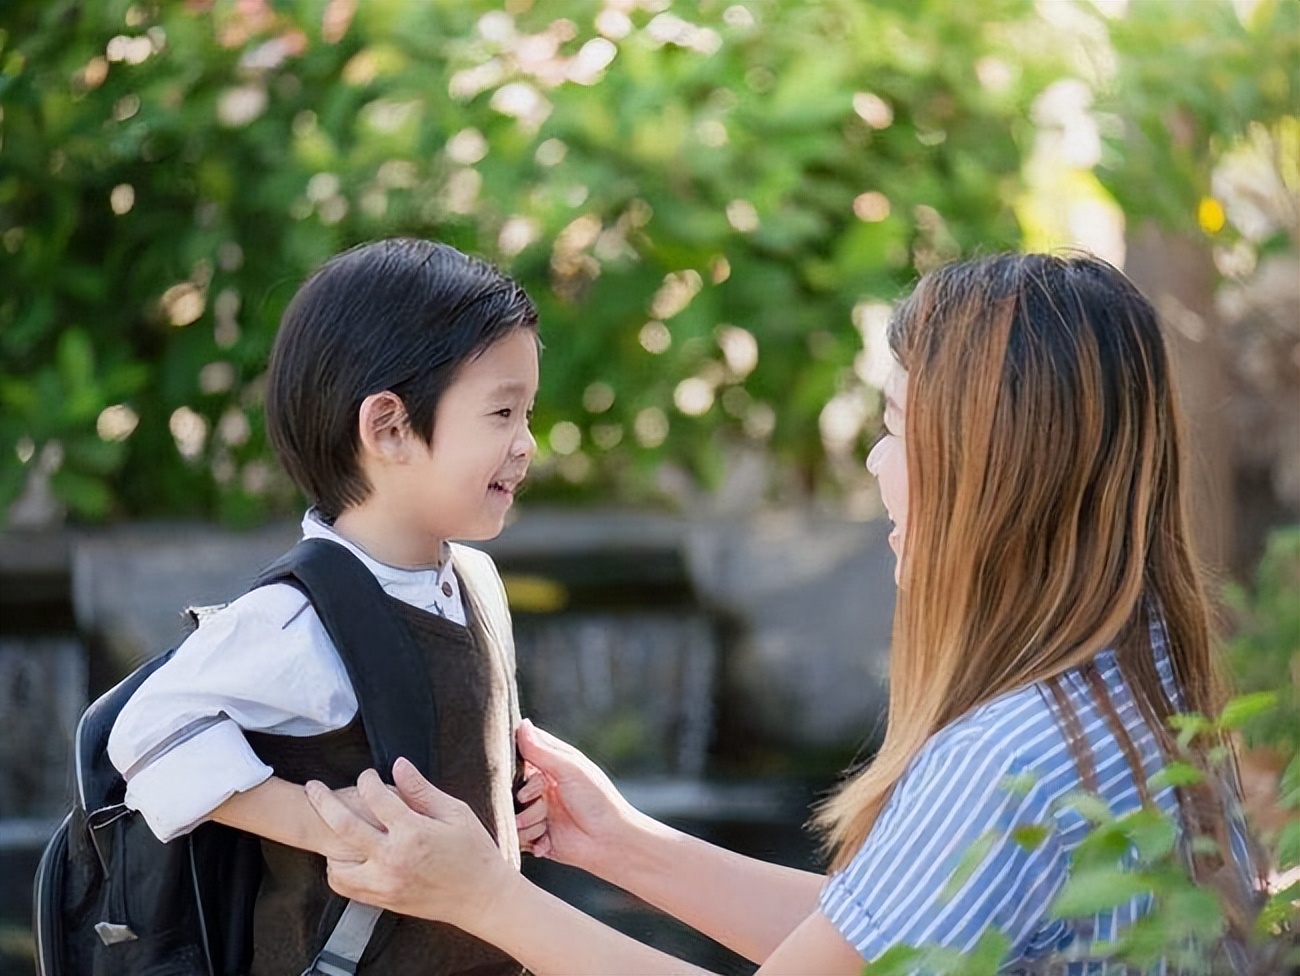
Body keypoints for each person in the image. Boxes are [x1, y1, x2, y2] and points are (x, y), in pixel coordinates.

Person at [305, 252, 1265, 974]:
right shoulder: (1140, 689)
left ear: (989, 472)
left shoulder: (1005, 754)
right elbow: (881, 938)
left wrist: (484, 897)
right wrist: (623, 845)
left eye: (893, 427)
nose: (876, 466)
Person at [107, 238, 548, 976]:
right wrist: (333, 827)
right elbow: (149, 735)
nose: (527, 443)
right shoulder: (300, 620)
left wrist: (508, 800)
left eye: (528, 412)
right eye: (502, 413)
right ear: (388, 428)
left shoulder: (473, 579)